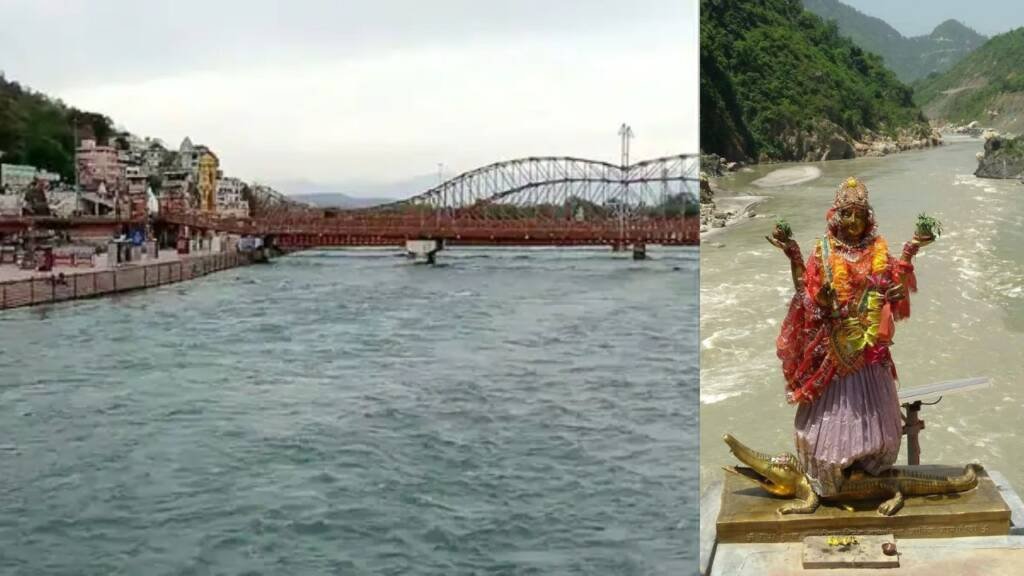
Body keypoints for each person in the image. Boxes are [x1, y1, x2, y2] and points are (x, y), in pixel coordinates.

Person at [766, 177, 933, 496]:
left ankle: (868, 476)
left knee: (879, 431)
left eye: (859, 213)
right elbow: (806, 292)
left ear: (868, 216)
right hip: (835, 352)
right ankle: (829, 480)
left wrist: (911, 250)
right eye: (847, 214)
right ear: (835, 216)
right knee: (825, 439)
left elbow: (893, 288)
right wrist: (794, 255)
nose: (853, 220)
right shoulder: (823, 251)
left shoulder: (879, 249)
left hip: (870, 351)